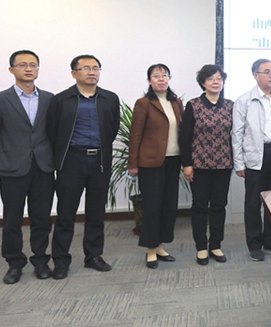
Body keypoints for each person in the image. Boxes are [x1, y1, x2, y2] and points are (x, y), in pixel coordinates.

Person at [47, 54, 120, 279]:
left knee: (96, 213)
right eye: (86, 68)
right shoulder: (61, 100)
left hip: (100, 161)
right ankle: (61, 261)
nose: (92, 72)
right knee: (66, 214)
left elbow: (112, 129)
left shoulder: (110, 98)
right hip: (72, 161)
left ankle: (93, 256)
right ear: (74, 73)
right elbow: (53, 132)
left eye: (96, 68)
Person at [0, 50, 55, 284]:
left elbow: (54, 132)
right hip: (12, 167)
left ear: (38, 69)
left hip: (43, 167)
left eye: (33, 65)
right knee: (12, 219)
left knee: (41, 218)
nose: (29, 69)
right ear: (11, 69)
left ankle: (40, 260)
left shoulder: (49, 99)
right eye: (23, 65)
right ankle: (14, 263)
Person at [128, 64, 183, 269]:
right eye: (156, 76)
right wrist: (133, 164)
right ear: (149, 80)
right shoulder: (144, 103)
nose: (161, 79)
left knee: (169, 206)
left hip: (173, 160)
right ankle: (150, 250)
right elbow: (135, 135)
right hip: (151, 162)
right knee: (152, 206)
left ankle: (160, 246)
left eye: (164, 75)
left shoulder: (176, 102)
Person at [232, 59, 271, 262]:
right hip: (256, 155)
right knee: (253, 202)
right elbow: (237, 134)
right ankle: (254, 244)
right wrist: (239, 163)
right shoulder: (244, 100)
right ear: (255, 75)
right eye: (266, 72)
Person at [180, 64, 233, 266]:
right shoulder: (193, 105)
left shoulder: (230, 106)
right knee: (200, 206)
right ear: (203, 82)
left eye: (219, 78)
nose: (215, 82)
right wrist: (187, 164)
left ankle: (216, 245)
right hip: (199, 165)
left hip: (223, 164)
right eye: (211, 79)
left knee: (219, 206)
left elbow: (234, 135)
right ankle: (201, 247)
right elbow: (185, 137)